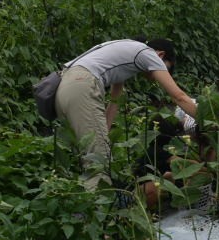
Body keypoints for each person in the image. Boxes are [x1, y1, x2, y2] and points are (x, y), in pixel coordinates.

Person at [55, 39, 197, 191]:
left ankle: (94, 201)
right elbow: (179, 97)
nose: (156, 77)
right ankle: (97, 210)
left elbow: (116, 97)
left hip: (65, 87)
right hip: (81, 85)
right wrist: (208, 119)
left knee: (95, 151)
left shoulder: (126, 51)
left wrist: (105, 135)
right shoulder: (147, 54)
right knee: (99, 162)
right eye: (165, 69)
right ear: (160, 55)